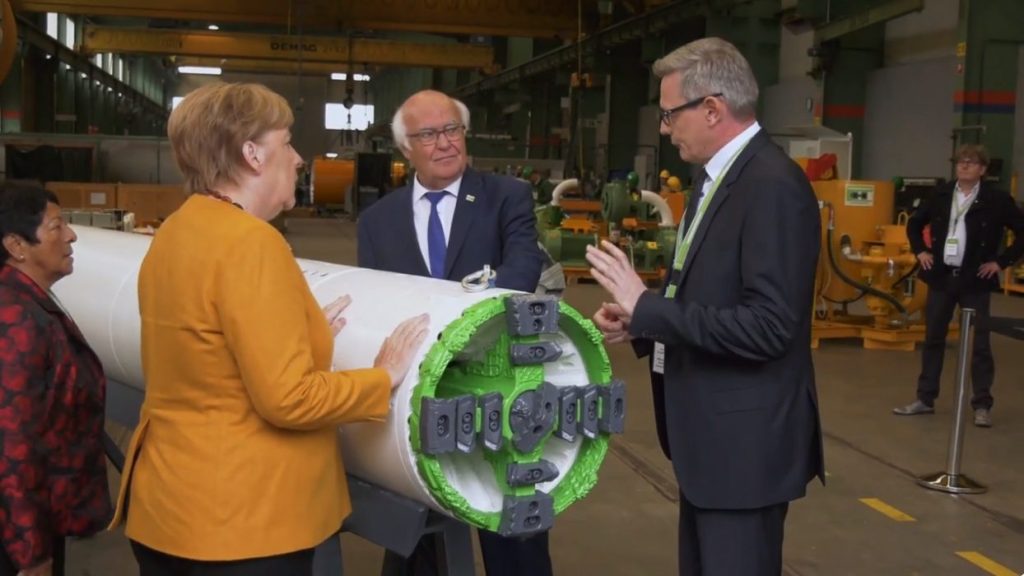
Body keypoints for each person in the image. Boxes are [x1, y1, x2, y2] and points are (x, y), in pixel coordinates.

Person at [108, 82, 430, 575]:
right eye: (287, 143)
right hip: (239, 525)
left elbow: (205, 341)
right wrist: (381, 377)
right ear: (253, 155)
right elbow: (288, 399)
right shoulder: (251, 243)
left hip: (168, 508)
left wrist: (293, 328)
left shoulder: (178, 229)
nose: (299, 158)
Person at [584, 38, 824, 576]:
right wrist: (641, 320)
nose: (665, 129)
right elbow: (704, 292)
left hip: (745, 451)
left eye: (670, 115)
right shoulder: (715, 180)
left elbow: (769, 327)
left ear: (712, 108)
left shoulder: (772, 187)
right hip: (710, 445)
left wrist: (645, 303)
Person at [357, 89, 548, 576]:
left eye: (452, 130)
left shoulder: (506, 196)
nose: (444, 143)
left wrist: (457, 330)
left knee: (512, 532)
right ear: (405, 148)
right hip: (416, 396)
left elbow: (523, 269)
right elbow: (377, 301)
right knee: (418, 532)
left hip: (499, 390)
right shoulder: (377, 222)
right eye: (428, 134)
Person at [0, 183, 112, 576]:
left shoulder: (29, 305)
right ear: (17, 245)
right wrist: (31, 555)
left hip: (36, 523)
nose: (71, 235)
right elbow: (10, 446)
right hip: (17, 542)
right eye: (56, 226)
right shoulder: (14, 319)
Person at [895, 144, 1024, 427]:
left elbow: (1021, 232)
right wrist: (921, 251)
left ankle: (982, 405)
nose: (964, 166)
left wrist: (1001, 263)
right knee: (934, 338)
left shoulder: (997, 200)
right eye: (960, 162)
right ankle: (925, 398)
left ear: (983, 170)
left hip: (975, 280)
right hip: (942, 277)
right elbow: (915, 225)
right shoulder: (940, 195)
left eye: (971, 162)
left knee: (980, 344)